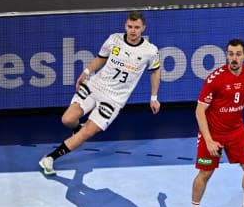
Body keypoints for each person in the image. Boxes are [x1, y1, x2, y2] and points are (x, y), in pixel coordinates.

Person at [38, 11, 161, 176]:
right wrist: (87, 71)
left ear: (143, 28)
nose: (132, 31)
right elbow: (101, 57)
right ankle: (77, 131)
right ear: (125, 26)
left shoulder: (150, 51)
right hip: (95, 86)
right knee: (67, 119)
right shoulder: (114, 39)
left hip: (114, 99)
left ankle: (50, 158)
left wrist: (154, 97)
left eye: (137, 27)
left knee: (87, 132)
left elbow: (155, 72)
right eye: (130, 26)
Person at [186, 38, 244, 207]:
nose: (234, 58)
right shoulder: (215, 79)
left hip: (236, 130)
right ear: (226, 55)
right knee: (205, 173)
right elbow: (199, 111)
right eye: (230, 54)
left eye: (238, 54)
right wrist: (209, 140)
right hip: (212, 132)